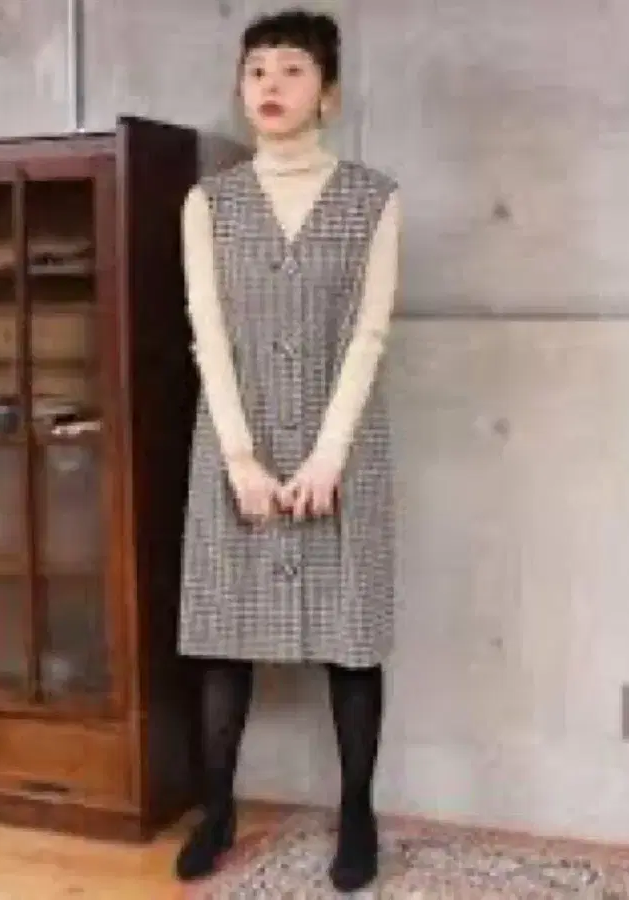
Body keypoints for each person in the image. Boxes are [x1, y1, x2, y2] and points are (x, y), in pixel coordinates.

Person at [176, 7, 400, 892]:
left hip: (342, 445)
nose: (270, 84)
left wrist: (328, 455)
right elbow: (208, 332)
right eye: (257, 69)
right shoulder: (209, 203)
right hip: (236, 438)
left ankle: (358, 814)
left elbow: (369, 334)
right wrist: (240, 458)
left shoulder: (374, 198)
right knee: (222, 636)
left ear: (328, 94)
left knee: (353, 640)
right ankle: (217, 809)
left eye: (293, 69)